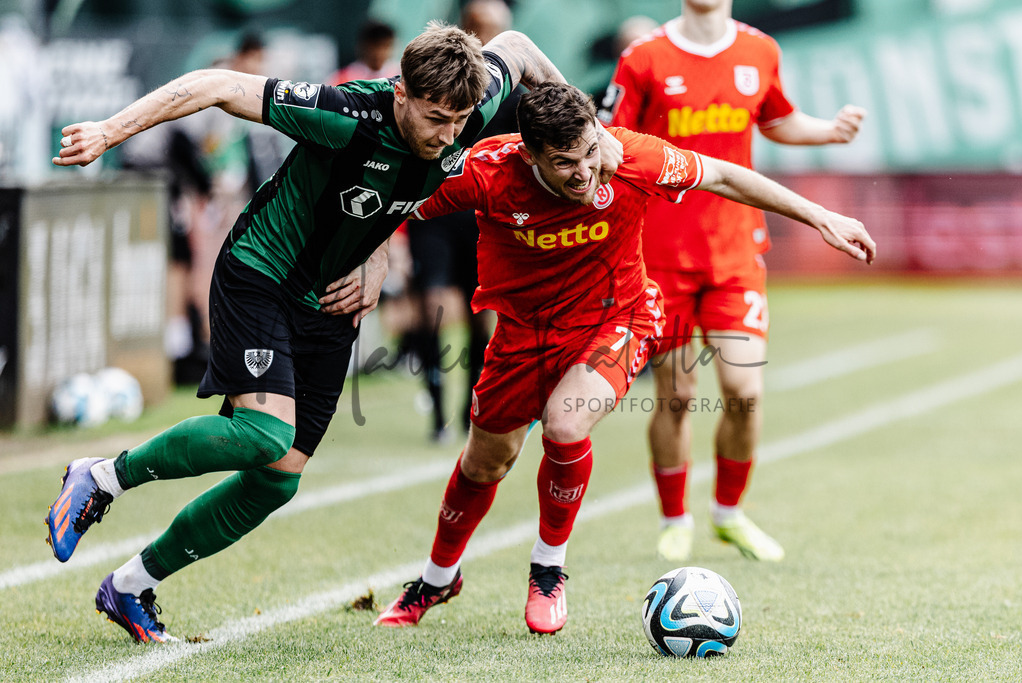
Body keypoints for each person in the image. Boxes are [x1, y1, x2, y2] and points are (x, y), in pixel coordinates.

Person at [44, 22, 622, 644]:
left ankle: (130, 585)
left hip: (329, 301)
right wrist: (109, 131)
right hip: (263, 274)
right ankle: (101, 478)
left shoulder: (469, 100)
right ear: (401, 93)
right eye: (435, 119)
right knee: (264, 433)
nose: (449, 136)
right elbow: (216, 85)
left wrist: (597, 133)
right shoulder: (345, 115)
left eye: (459, 122)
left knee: (277, 478)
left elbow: (518, 46)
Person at [372, 82, 874, 634]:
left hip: (619, 319)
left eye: (591, 152)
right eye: (565, 163)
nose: (585, 172)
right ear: (530, 154)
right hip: (523, 334)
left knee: (565, 424)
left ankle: (548, 569)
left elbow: (725, 176)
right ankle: (437, 580)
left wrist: (819, 216)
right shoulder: (487, 171)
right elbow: (389, 200)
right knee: (483, 464)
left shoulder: (632, 157)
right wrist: (362, 262)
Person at [600, 0, 867, 563]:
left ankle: (729, 513)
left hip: (736, 252)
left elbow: (776, 120)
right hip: (660, 258)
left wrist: (828, 131)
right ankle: (674, 518)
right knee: (677, 394)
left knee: (745, 392)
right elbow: (608, 142)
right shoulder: (643, 58)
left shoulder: (759, 49)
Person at [406, 0, 521, 442]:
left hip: (483, 217)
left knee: (480, 316)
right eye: (477, 27)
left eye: (493, 29)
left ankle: (471, 409)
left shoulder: (513, 94)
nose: (485, 37)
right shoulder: (439, 81)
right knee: (432, 306)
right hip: (433, 210)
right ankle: (437, 414)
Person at [328, 19, 399, 85]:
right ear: (363, 46)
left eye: (385, 46)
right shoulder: (342, 79)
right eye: (375, 46)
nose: (380, 52)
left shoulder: (401, 78)